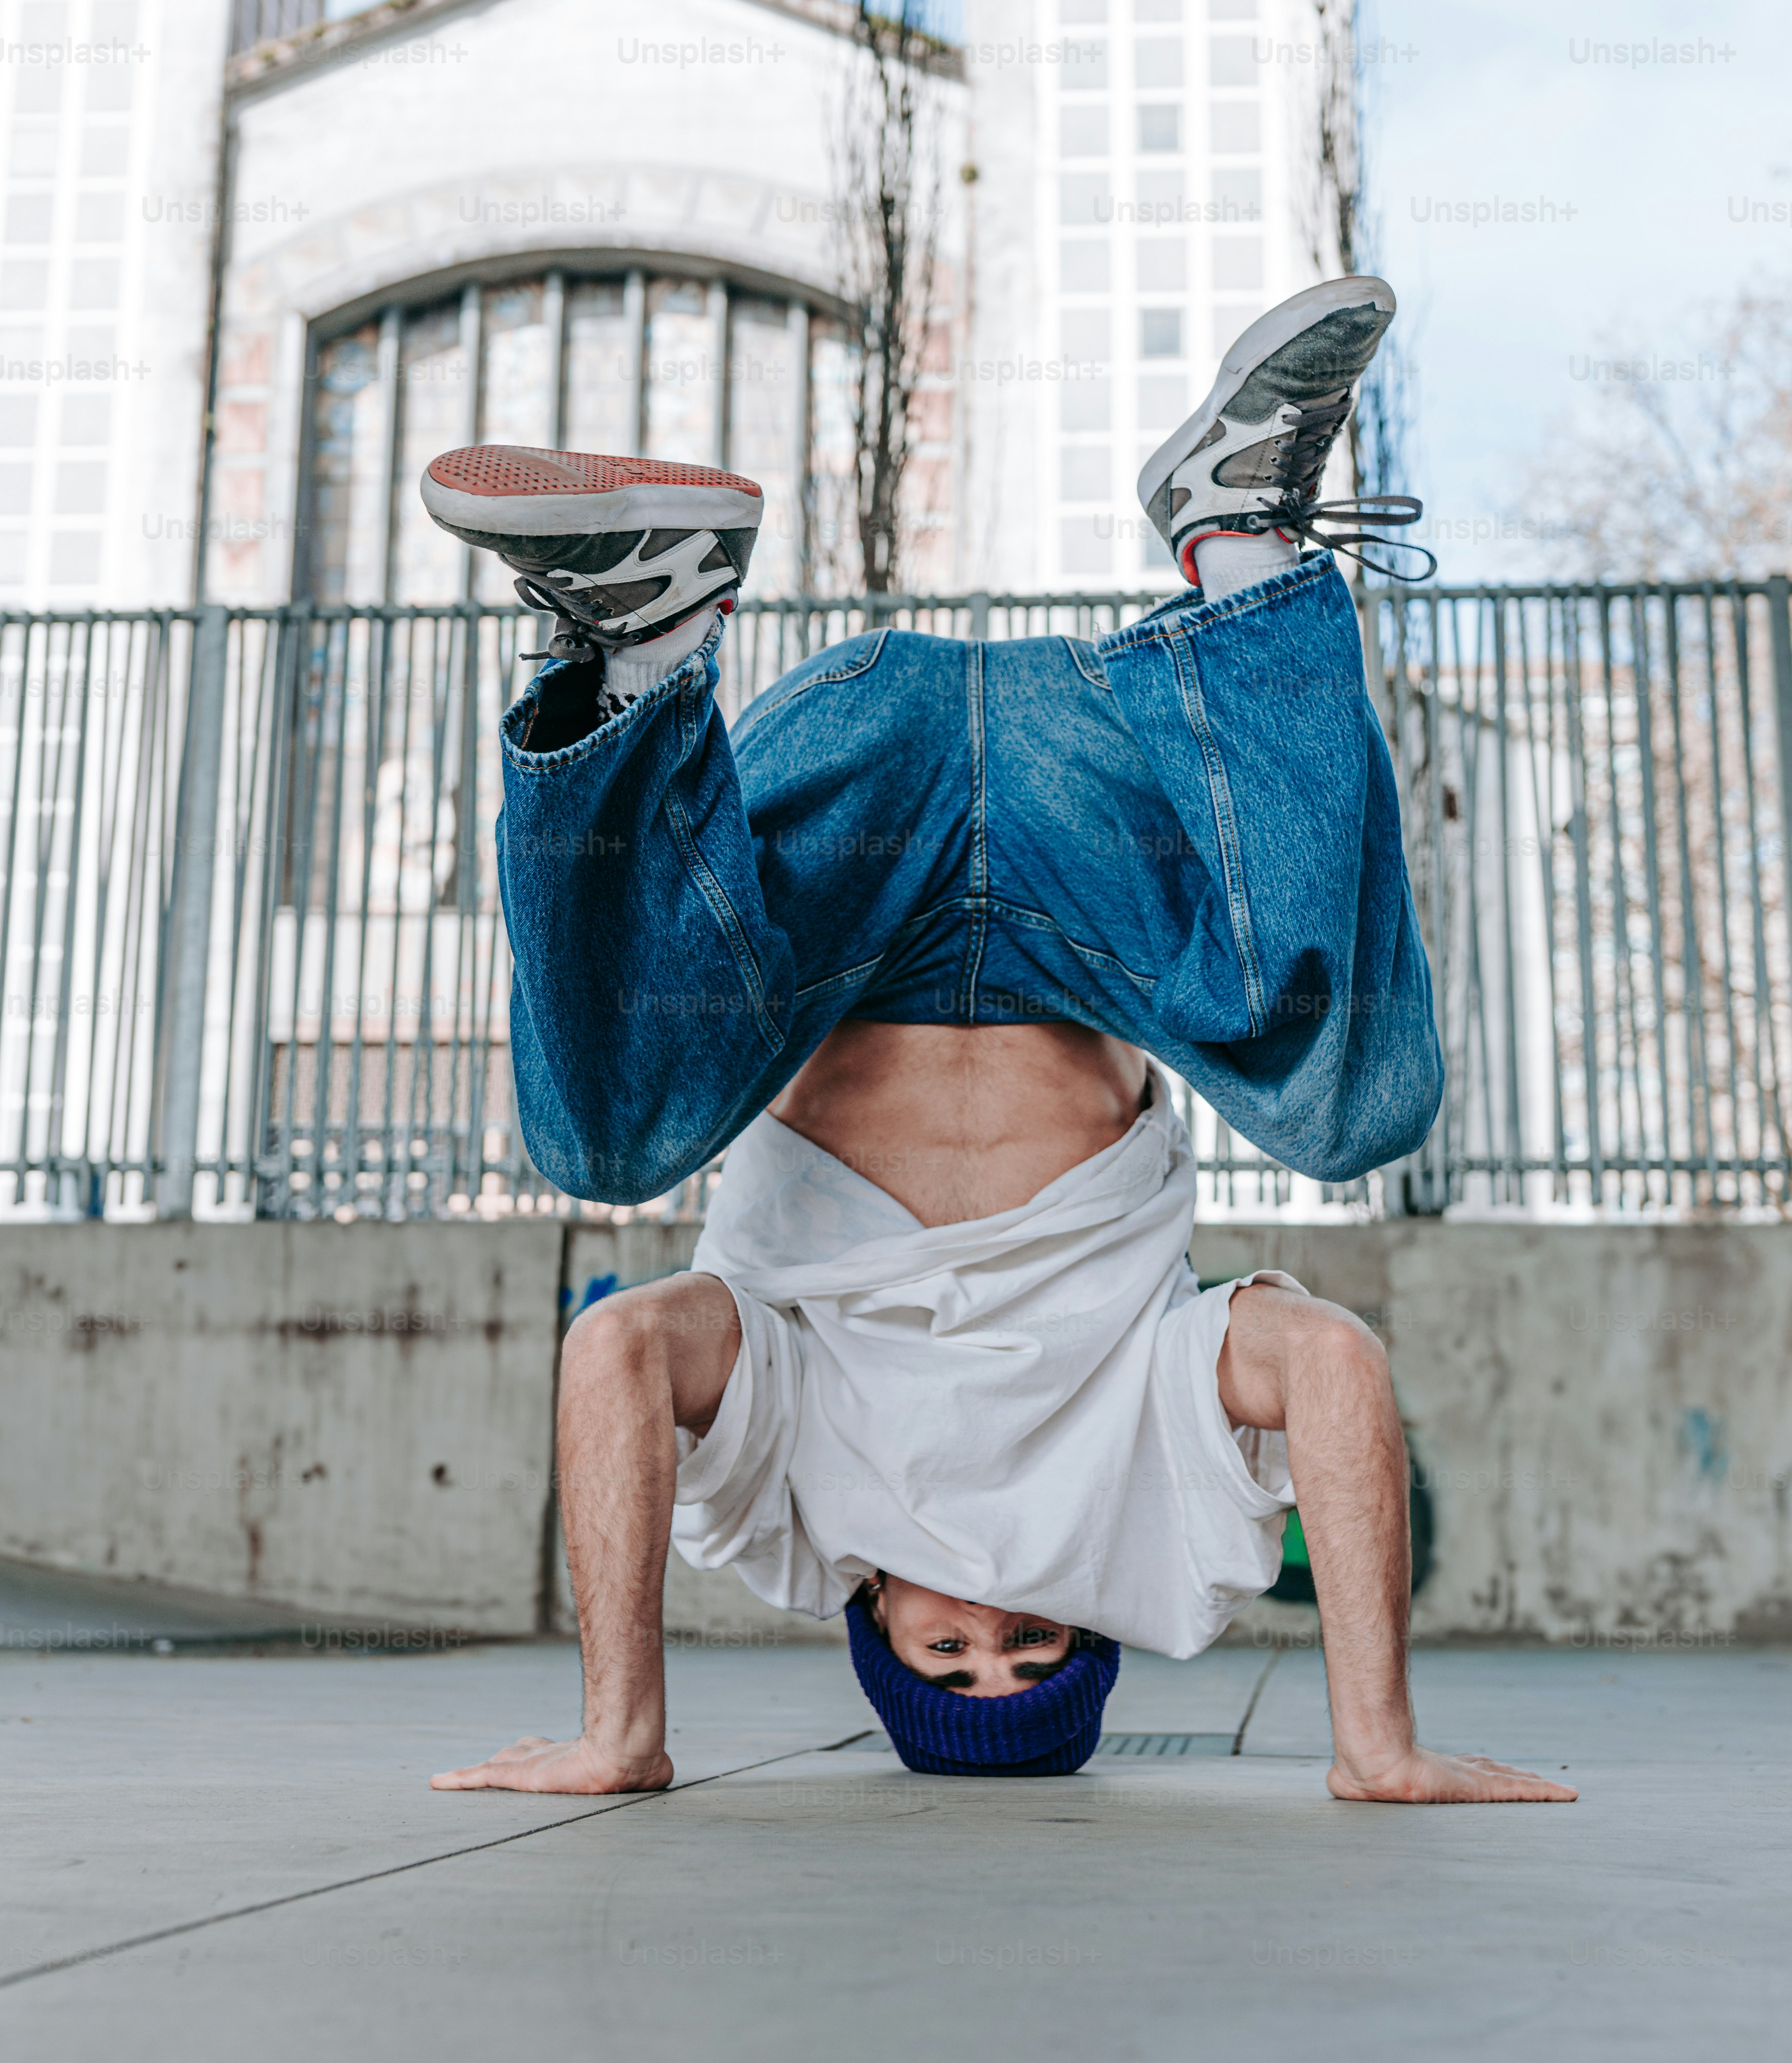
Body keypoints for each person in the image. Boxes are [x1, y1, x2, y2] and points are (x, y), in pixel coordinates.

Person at [425, 279, 1570, 1804]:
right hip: (1073, 855)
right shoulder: (1152, 1509)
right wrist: (1375, 1740)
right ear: (1094, 1631)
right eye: (1035, 1656)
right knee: (1362, 1107)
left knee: (601, 1140)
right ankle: (1238, 544)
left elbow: (619, 1345)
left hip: (850, 862)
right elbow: (1333, 1365)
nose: (987, 1631)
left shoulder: (788, 1499)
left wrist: (622, 1725)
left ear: (876, 1627)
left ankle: (641, 651)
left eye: (947, 1661)